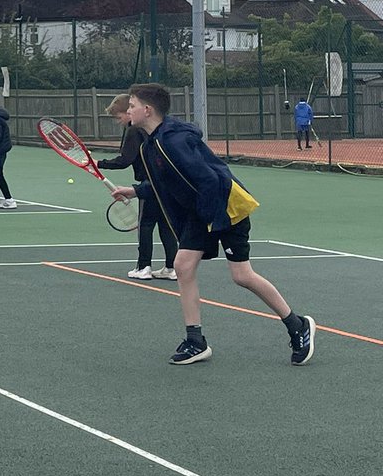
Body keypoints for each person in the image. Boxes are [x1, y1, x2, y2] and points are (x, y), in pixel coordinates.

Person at [110, 83, 315, 366]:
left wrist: (208, 220)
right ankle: (196, 341)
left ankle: (297, 325)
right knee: (183, 266)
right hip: (202, 212)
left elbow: (208, 180)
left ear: (147, 110)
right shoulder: (150, 146)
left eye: (132, 105)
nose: (128, 109)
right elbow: (163, 182)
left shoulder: (173, 141)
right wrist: (135, 190)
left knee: (242, 276)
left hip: (227, 206)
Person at [97, 93, 177, 281]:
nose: (119, 122)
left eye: (119, 117)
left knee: (146, 225)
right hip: (165, 183)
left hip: (149, 185)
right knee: (166, 226)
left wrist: (99, 163)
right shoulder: (156, 127)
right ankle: (171, 268)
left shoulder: (134, 130)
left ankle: (144, 267)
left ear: (130, 112)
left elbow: (125, 160)